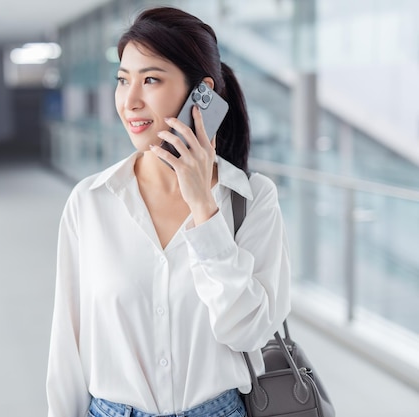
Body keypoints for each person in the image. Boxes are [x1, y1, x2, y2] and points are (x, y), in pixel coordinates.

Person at [46, 6, 291, 417]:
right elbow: (65, 350)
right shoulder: (91, 201)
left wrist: (203, 209)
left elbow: (248, 331)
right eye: (123, 81)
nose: (130, 101)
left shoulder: (251, 198)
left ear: (203, 94)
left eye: (151, 80)